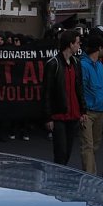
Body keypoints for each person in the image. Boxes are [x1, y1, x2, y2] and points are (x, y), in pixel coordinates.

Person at [42, 29, 86, 165]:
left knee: (67, 152)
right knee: (60, 152)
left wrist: (83, 110)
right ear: (70, 44)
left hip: (73, 115)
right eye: (78, 43)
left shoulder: (76, 63)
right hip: (59, 114)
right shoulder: (53, 64)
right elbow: (46, 92)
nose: (79, 46)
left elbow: (79, 87)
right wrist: (48, 117)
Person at [79, 35, 103, 174]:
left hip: (100, 111)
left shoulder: (99, 65)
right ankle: (90, 177)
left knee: (95, 145)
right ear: (99, 48)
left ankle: (90, 172)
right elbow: (80, 89)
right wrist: (81, 110)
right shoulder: (83, 65)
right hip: (88, 111)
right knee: (87, 146)